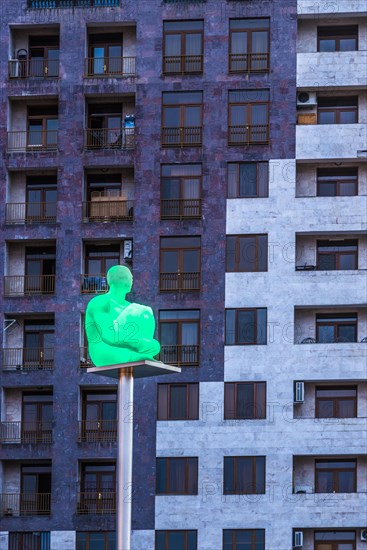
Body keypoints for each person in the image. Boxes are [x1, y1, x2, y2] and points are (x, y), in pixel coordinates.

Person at [85, 265, 161, 366]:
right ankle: (136, 355)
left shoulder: (132, 307)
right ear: (111, 280)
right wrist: (139, 343)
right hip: (105, 350)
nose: (129, 281)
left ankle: (140, 354)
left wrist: (147, 344)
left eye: (130, 278)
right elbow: (109, 334)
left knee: (146, 311)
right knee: (139, 353)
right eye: (123, 277)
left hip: (132, 345)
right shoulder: (99, 302)